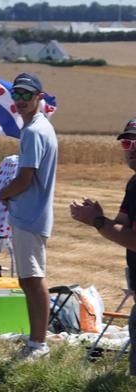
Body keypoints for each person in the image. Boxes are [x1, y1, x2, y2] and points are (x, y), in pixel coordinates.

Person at [0, 72, 58, 361]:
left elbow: (25, 177)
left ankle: (38, 344)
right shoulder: (40, 126)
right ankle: (36, 339)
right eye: (17, 94)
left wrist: (4, 193)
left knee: (33, 280)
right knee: (28, 279)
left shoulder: (34, 131)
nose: (20, 100)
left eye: (27, 95)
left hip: (29, 215)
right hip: (32, 215)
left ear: (39, 96)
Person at [70, 118, 136, 374]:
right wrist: (97, 218)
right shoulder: (133, 184)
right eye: (127, 142)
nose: (131, 148)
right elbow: (121, 227)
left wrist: (97, 221)